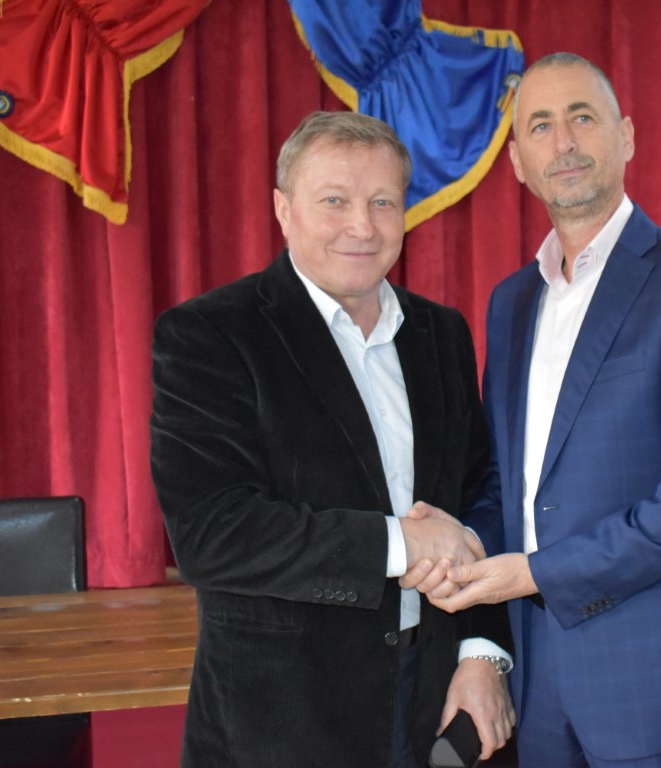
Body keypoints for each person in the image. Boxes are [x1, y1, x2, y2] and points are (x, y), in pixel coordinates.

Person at [407, 52, 661, 767]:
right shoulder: (512, 303)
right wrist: (460, 544)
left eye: (582, 117)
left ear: (625, 137)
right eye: (540, 126)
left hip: (658, 678)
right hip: (540, 683)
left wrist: (538, 574)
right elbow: (508, 482)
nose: (563, 141)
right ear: (517, 162)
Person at [149, 111, 514, 767]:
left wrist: (481, 653)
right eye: (335, 201)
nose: (362, 226)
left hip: (437, 697)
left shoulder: (441, 334)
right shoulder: (210, 335)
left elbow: (480, 495)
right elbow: (211, 534)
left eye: (382, 202)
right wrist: (400, 543)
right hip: (284, 721)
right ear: (283, 210)